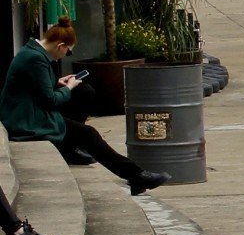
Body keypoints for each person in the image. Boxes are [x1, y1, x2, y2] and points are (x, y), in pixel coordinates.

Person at [1, 18, 168, 196]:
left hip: (30, 110)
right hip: (27, 119)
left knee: (84, 91)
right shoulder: (36, 59)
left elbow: (34, 87)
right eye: (68, 51)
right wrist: (68, 87)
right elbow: (50, 100)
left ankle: (71, 147)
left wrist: (59, 82)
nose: (66, 55)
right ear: (60, 45)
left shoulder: (32, 52)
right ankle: (136, 175)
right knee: (88, 134)